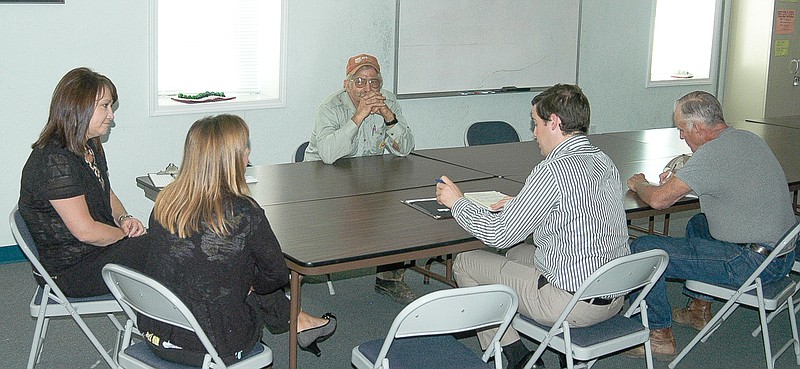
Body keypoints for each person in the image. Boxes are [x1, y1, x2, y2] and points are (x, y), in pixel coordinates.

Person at [435, 84, 630, 369]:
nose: (533, 132)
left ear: (554, 122)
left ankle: (514, 355)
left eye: (536, 124)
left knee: (465, 261)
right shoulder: (602, 160)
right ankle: (559, 355)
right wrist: (526, 201)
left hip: (570, 304)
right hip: (614, 292)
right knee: (515, 255)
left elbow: (499, 235)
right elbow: (579, 206)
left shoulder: (552, 170)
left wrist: (457, 202)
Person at [138, 114, 337, 366]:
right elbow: (277, 276)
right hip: (215, 343)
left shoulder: (166, 202)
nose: (249, 153)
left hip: (158, 334)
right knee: (251, 273)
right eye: (245, 148)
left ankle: (300, 320)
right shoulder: (244, 213)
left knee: (232, 269)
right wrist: (248, 283)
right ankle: (298, 319)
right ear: (234, 159)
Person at [625, 91, 795, 359]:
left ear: (699, 127)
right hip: (781, 254)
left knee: (645, 248)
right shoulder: (746, 138)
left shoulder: (713, 155)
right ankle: (698, 310)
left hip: (752, 264)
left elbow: (659, 200)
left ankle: (659, 335)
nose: (682, 136)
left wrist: (639, 183)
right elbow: (720, 174)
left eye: (682, 129)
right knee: (699, 223)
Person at [18, 67, 148, 297]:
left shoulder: (88, 145)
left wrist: (124, 218)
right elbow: (86, 232)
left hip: (94, 253)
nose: (111, 115)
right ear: (79, 108)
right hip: (70, 271)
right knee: (165, 252)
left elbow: (106, 192)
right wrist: (126, 236)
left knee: (166, 247)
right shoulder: (54, 160)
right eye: (105, 106)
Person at [304, 53, 417, 304]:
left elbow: (405, 148)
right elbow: (329, 155)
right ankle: (302, 274)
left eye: (373, 82)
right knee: (330, 222)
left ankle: (389, 278)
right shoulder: (330, 107)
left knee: (398, 212)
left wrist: (388, 115)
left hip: (366, 179)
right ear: (347, 84)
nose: (368, 88)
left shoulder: (389, 102)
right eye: (360, 81)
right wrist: (359, 116)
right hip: (322, 180)